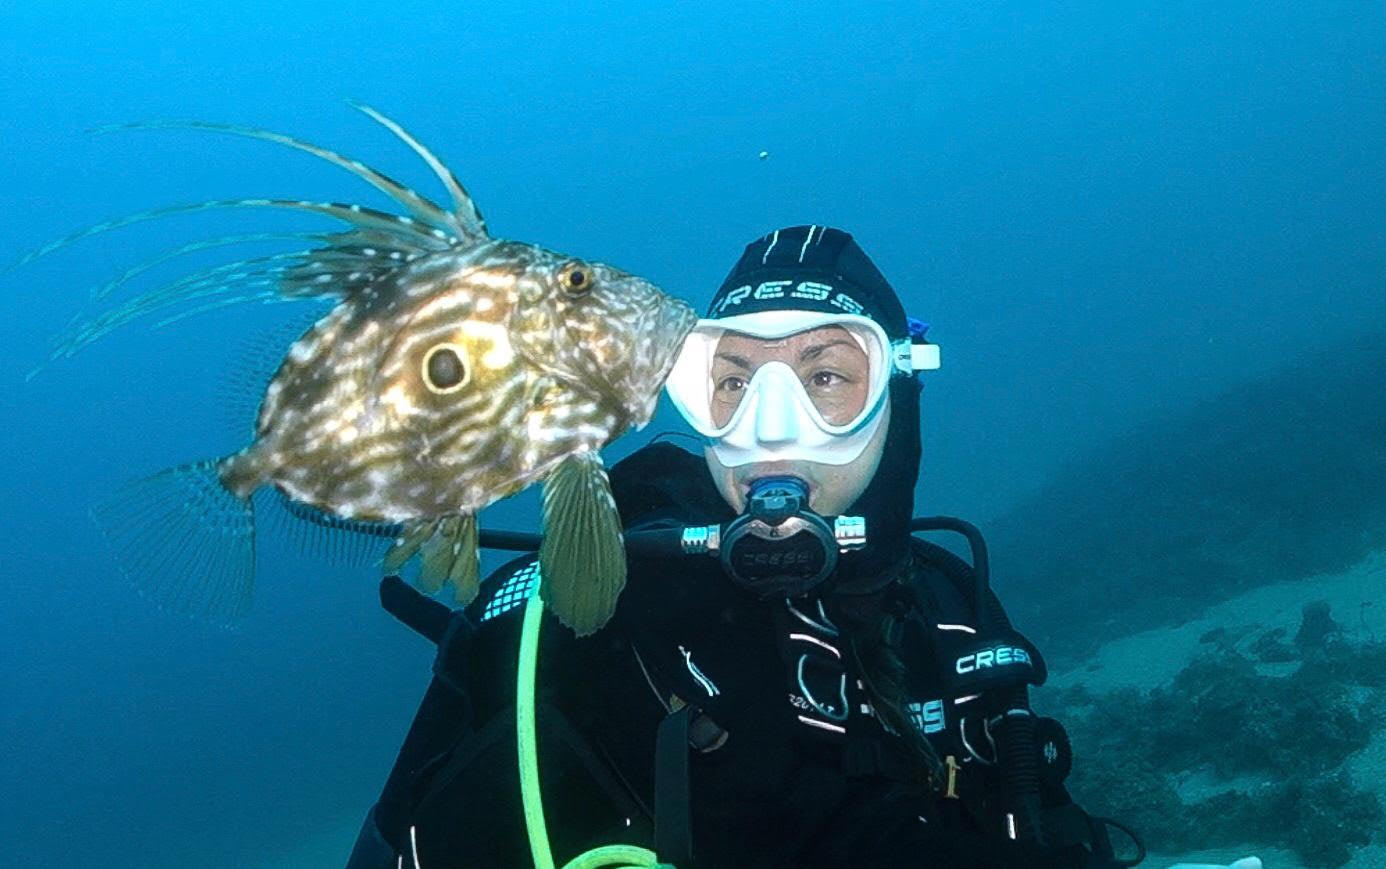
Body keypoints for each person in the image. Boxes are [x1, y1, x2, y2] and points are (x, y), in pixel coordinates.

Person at [345, 226, 1140, 868]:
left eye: (826, 377)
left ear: (898, 394)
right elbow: (783, 829)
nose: (769, 424)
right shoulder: (604, 602)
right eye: (732, 381)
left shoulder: (946, 599)